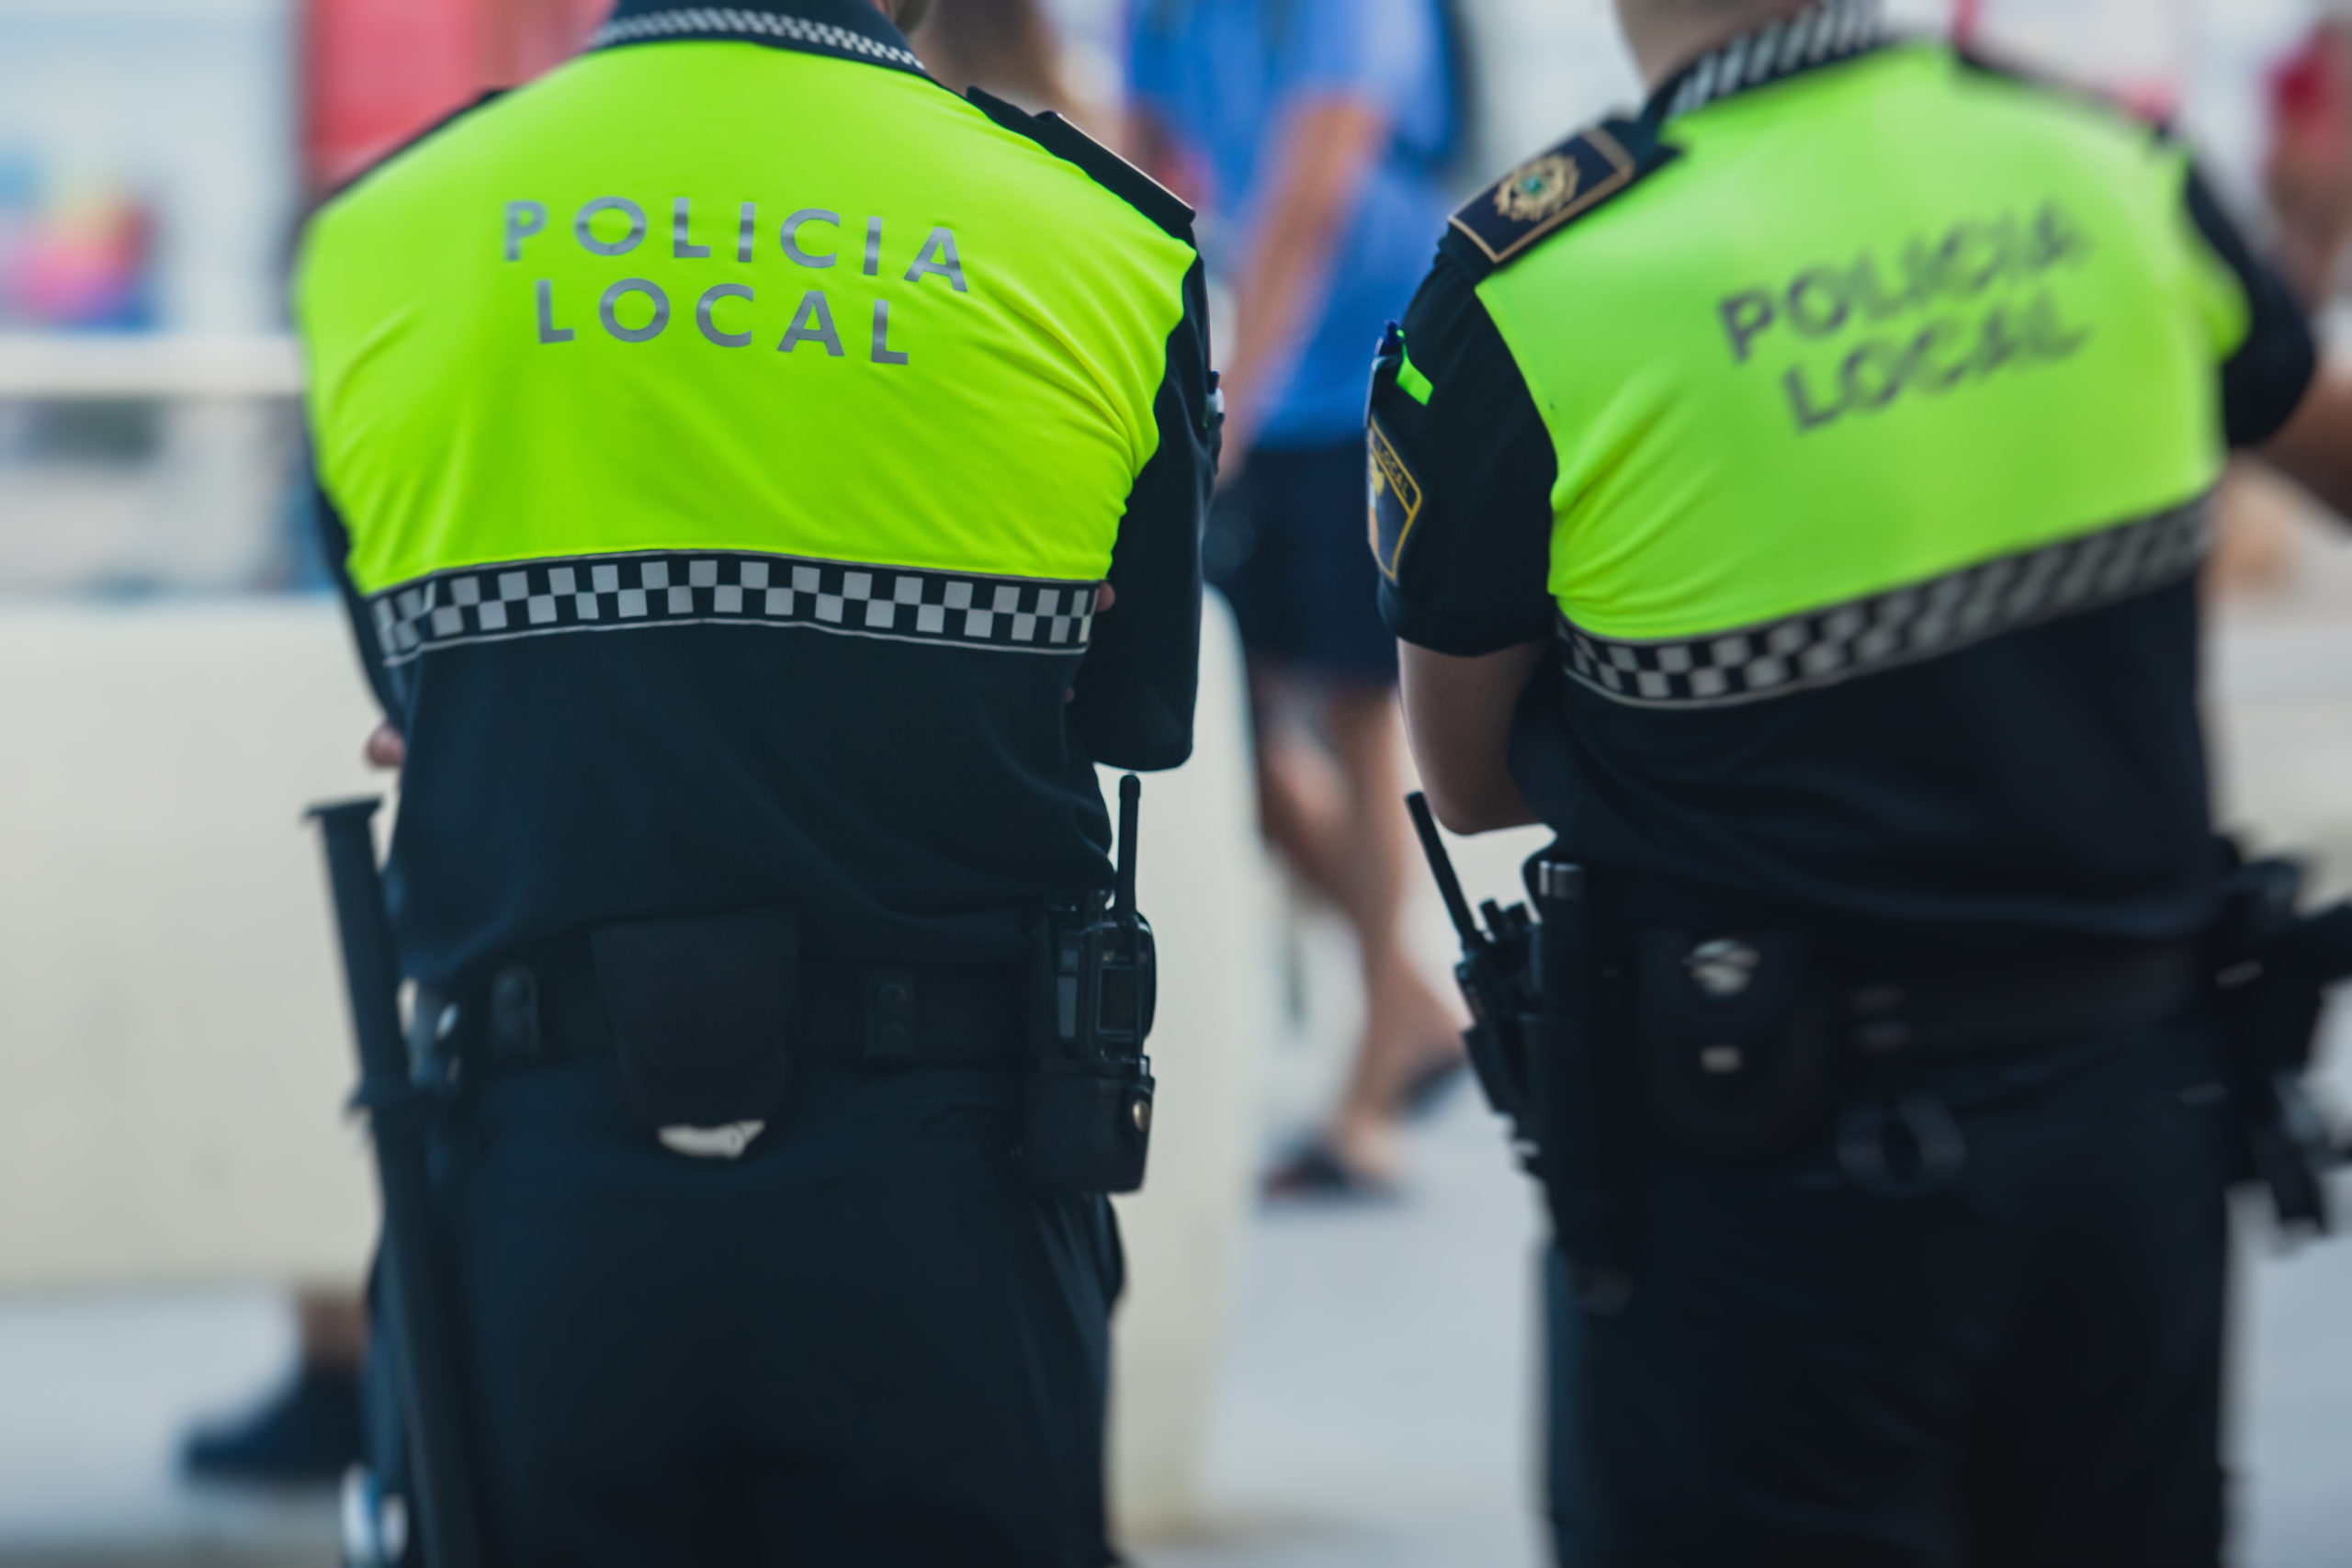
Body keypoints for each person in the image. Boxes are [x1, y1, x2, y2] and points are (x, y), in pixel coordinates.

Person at [1374, 0, 2352, 1560]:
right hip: (2134, 1112)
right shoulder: (2104, 165)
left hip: (1762, 1167)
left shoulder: (1532, 284)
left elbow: (1471, 780)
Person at [293, 0, 1215, 1559]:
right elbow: (1131, 713)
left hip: (540, 1193)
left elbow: (420, 692)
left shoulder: (386, 232)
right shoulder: (1104, 241)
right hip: (948, 1192)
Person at [1127, 0, 1469, 1196]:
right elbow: (1134, 162)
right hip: (1260, 397)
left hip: (1372, 379)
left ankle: (1372, 1086)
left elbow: (1314, 195)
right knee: (1235, 736)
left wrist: (1226, 405)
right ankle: (1412, 1004)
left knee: (1362, 727)